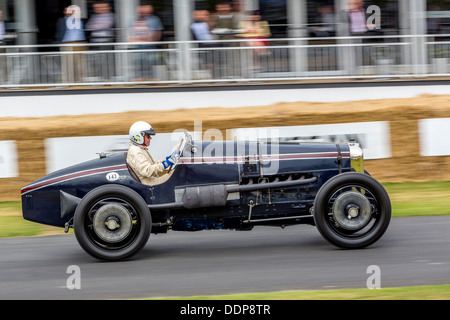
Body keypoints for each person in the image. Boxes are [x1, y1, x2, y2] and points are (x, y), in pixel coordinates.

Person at [126, 121, 180, 186]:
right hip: (150, 184)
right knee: (178, 175)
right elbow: (147, 171)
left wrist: (167, 159)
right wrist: (166, 164)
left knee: (175, 172)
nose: (150, 138)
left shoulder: (139, 148)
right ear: (139, 137)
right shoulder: (135, 152)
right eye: (148, 136)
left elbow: (153, 164)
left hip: (152, 180)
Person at [56, 5, 87, 83]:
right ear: (64, 12)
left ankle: (81, 81)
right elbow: (59, 32)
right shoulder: (61, 20)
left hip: (80, 43)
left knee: (81, 64)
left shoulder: (81, 20)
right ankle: (66, 82)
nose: (70, 12)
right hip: (67, 44)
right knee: (67, 64)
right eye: (67, 10)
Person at [85, 1, 115, 81]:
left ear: (107, 7)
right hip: (95, 42)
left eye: (100, 7)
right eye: (96, 8)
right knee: (95, 60)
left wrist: (96, 26)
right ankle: (98, 77)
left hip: (105, 41)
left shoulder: (111, 16)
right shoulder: (94, 16)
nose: (97, 9)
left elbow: (107, 25)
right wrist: (100, 25)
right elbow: (88, 26)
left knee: (105, 61)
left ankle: (107, 78)